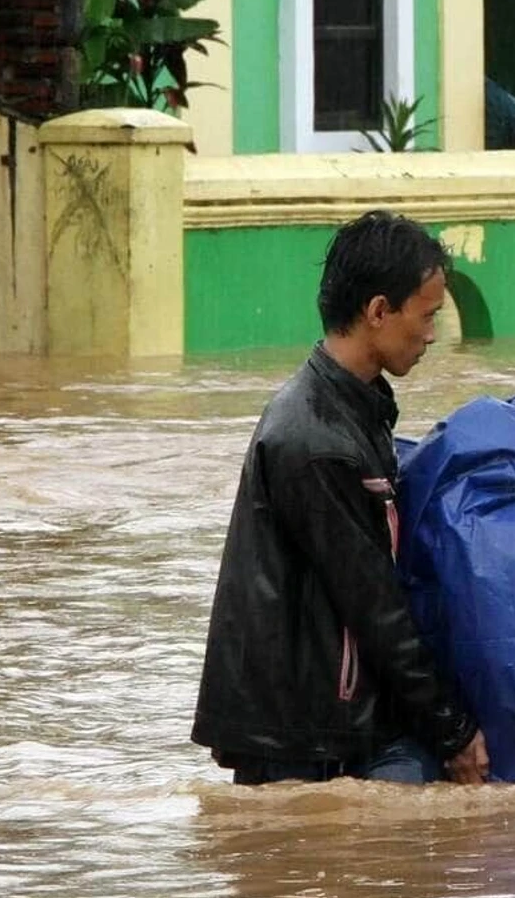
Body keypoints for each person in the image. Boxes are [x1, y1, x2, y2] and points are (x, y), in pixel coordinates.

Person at [191, 211, 490, 786]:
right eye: (427, 316)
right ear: (378, 312)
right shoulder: (317, 441)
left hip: (333, 721)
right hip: (305, 740)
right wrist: (453, 732)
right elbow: (374, 604)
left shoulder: (354, 406)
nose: (431, 334)